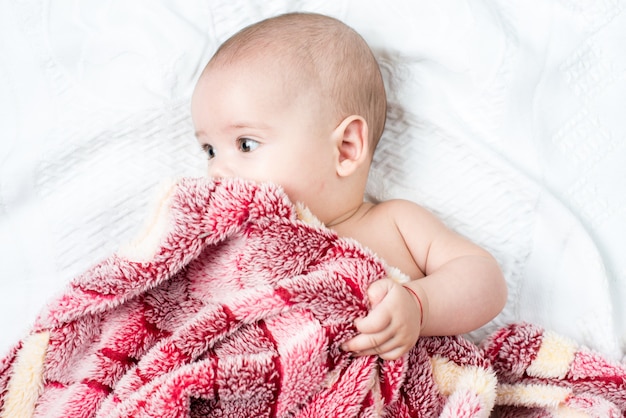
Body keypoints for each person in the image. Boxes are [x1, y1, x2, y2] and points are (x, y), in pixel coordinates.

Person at [191, 12, 507, 360]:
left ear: (346, 148)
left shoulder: (395, 224)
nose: (217, 170)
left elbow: (484, 280)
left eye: (246, 144)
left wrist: (419, 306)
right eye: (209, 150)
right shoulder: (229, 249)